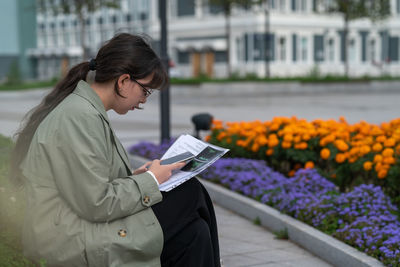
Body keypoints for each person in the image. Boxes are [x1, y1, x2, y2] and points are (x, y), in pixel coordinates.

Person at [10, 33, 221, 267]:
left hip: (79, 223)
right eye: (145, 90)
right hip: (69, 237)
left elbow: (90, 184)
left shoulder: (86, 111)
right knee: (190, 194)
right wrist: (151, 180)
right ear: (123, 81)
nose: (143, 100)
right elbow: (96, 203)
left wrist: (137, 178)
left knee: (195, 234)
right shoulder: (79, 117)